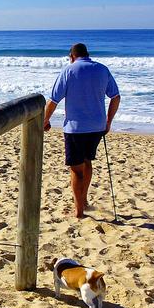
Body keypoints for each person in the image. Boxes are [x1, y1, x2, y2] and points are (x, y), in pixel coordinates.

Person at [43, 43, 120, 218]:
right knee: (87, 161)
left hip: (75, 128)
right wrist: (108, 121)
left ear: (72, 56)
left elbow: (53, 100)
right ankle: (84, 201)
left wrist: (44, 121)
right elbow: (116, 97)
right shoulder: (102, 69)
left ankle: (78, 211)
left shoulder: (69, 71)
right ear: (88, 54)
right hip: (97, 127)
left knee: (76, 169)